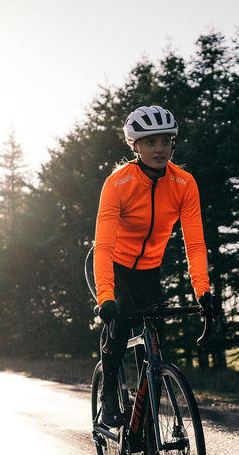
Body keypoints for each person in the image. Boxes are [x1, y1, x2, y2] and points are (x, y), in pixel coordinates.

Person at [93, 104, 217, 426]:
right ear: (136, 146)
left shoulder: (184, 184)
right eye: (150, 142)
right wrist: (105, 296)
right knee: (120, 321)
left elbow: (195, 243)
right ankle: (109, 393)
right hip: (114, 265)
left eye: (165, 141)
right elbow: (103, 246)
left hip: (149, 270)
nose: (160, 148)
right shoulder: (117, 183)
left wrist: (202, 291)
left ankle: (146, 422)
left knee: (155, 344)